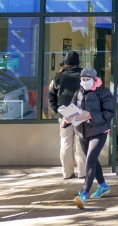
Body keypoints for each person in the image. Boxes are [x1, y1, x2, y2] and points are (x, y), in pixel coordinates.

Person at [69, 67, 115, 209]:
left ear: (95, 80)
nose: (84, 82)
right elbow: (72, 108)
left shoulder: (104, 92)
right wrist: (67, 118)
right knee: (93, 161)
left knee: (90, 160)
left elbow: (109, 113)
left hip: (99, 131)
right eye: (82, 79)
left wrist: (90, 116)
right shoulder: (78, 92)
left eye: (87, 79)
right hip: (82, 132)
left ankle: (83, 194)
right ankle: (103, 186)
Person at [48, 51, 85, 180]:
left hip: (65, 113)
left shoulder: (58, 77)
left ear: (66, 62)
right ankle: (83, 172)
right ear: (78, 62)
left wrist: (57, 111)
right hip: (80, 112)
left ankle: (67, 173)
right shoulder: (83, 76)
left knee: (65, 142)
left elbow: (51, 95)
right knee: (80, 142)